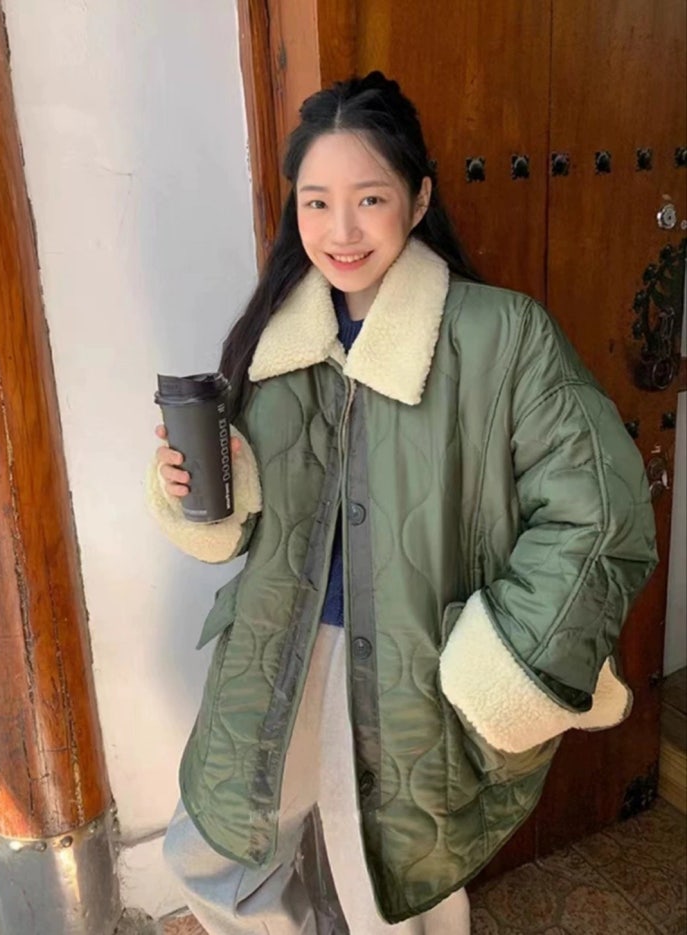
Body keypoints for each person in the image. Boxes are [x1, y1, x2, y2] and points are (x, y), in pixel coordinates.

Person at [148, 72, 657, 934]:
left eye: (370, 198)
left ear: (418, 200)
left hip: (415, 664)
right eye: (316, 202)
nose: (340, 230)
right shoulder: (273, 337)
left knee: (394, 888)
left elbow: (601, 515)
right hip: (279, 648)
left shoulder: (500, 335)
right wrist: (191, 489)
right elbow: (248, 519)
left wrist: (503, 660)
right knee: (213, 851)